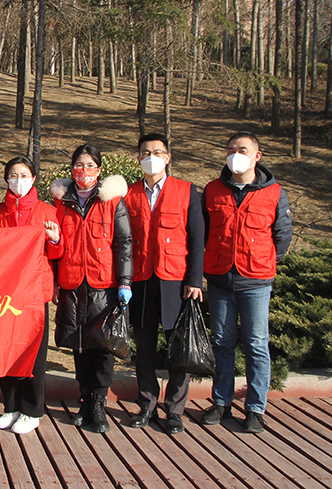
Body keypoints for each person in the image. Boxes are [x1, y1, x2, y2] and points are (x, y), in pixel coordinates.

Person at [199, 132, 292, 434]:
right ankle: (221, 402)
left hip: (256, 281)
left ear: (257, 156)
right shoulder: (213, 190)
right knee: (222, 343)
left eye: (241, 149)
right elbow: (203, 231)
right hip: (220, 278)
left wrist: (264, 261)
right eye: (230, 150)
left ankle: (255, 409)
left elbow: (282, 236)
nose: (235, 155)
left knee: (256, 344)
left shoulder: (274, 192)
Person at [124, 134, 204, 435]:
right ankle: (146, 404)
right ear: (138, 159)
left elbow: (197, 238)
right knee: (144, 349)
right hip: (141, 280)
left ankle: (174, 410)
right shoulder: (129, 193)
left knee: (177, 348)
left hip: (176, 281)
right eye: (145, 153)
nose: (151, 157)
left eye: (157, 152)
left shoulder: (186, 190)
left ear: (167, 157)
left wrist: (194, 280)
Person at [51, 143, 132, 433]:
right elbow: (53, 243)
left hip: (104, 284)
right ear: (71, 168)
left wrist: (124, 282)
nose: (83, 171)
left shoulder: (112, 201)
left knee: (102, 346)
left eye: (89, 166)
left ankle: (98, 404)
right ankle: (84, 399)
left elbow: (123, 243)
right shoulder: (61, 202)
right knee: (79, 345)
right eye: (78, 165)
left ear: (99, 169)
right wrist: (54, 281)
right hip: (72, 283)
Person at [0, 157, 62, 435]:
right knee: (5, 350)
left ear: (34, 179)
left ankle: (32, 410)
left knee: (34, 353)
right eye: (13, 175)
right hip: (5, 293)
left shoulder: (46, 210)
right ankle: (10, 405)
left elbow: (56, 253)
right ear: (6, 179)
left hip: (35, 291)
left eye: (24, 175)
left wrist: (55, 238)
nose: (18, 180)